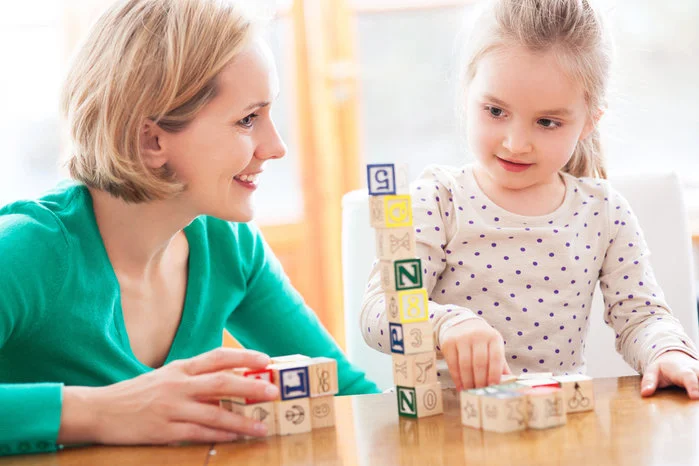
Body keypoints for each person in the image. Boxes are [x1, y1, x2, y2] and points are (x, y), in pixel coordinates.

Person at [0, 0, 378, 457]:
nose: (276, 147)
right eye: (247, 119)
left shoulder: (229, 245)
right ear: (152, 140)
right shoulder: (28, 250)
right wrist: (103, 411)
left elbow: (348, 393)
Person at [361, 0, 699, 399]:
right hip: (448, 433)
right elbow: (379, 311)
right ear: (467, 94)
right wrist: (445, 323)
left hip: (555, 429)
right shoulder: (438, 200)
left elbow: (641, 316)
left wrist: (669, 350)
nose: (516, 143)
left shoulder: (604, 212)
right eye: (495, 111)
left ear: (589, 121)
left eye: (547, 122)